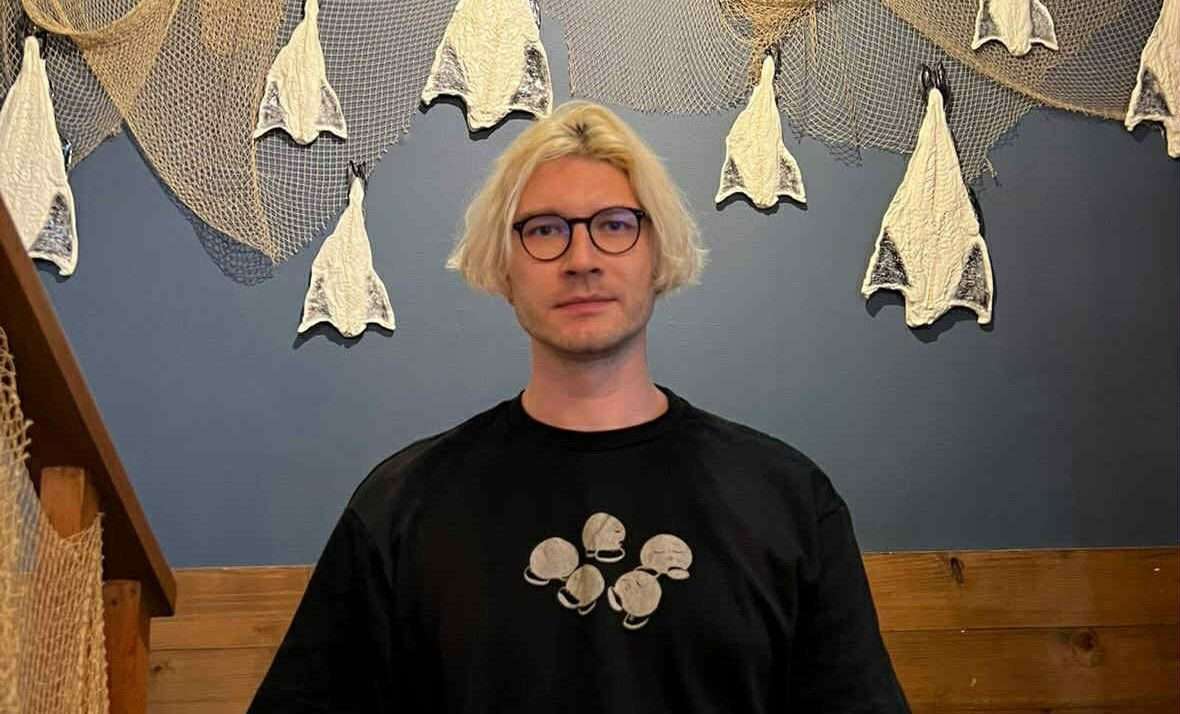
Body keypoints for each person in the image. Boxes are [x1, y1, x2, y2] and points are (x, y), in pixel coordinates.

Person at [248, 101, 910, 713]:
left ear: (656, 252)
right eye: (545, 230)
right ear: (505, 265)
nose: (581, 258)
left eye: (615, 225)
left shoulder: (788, 502)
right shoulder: (401, 508)